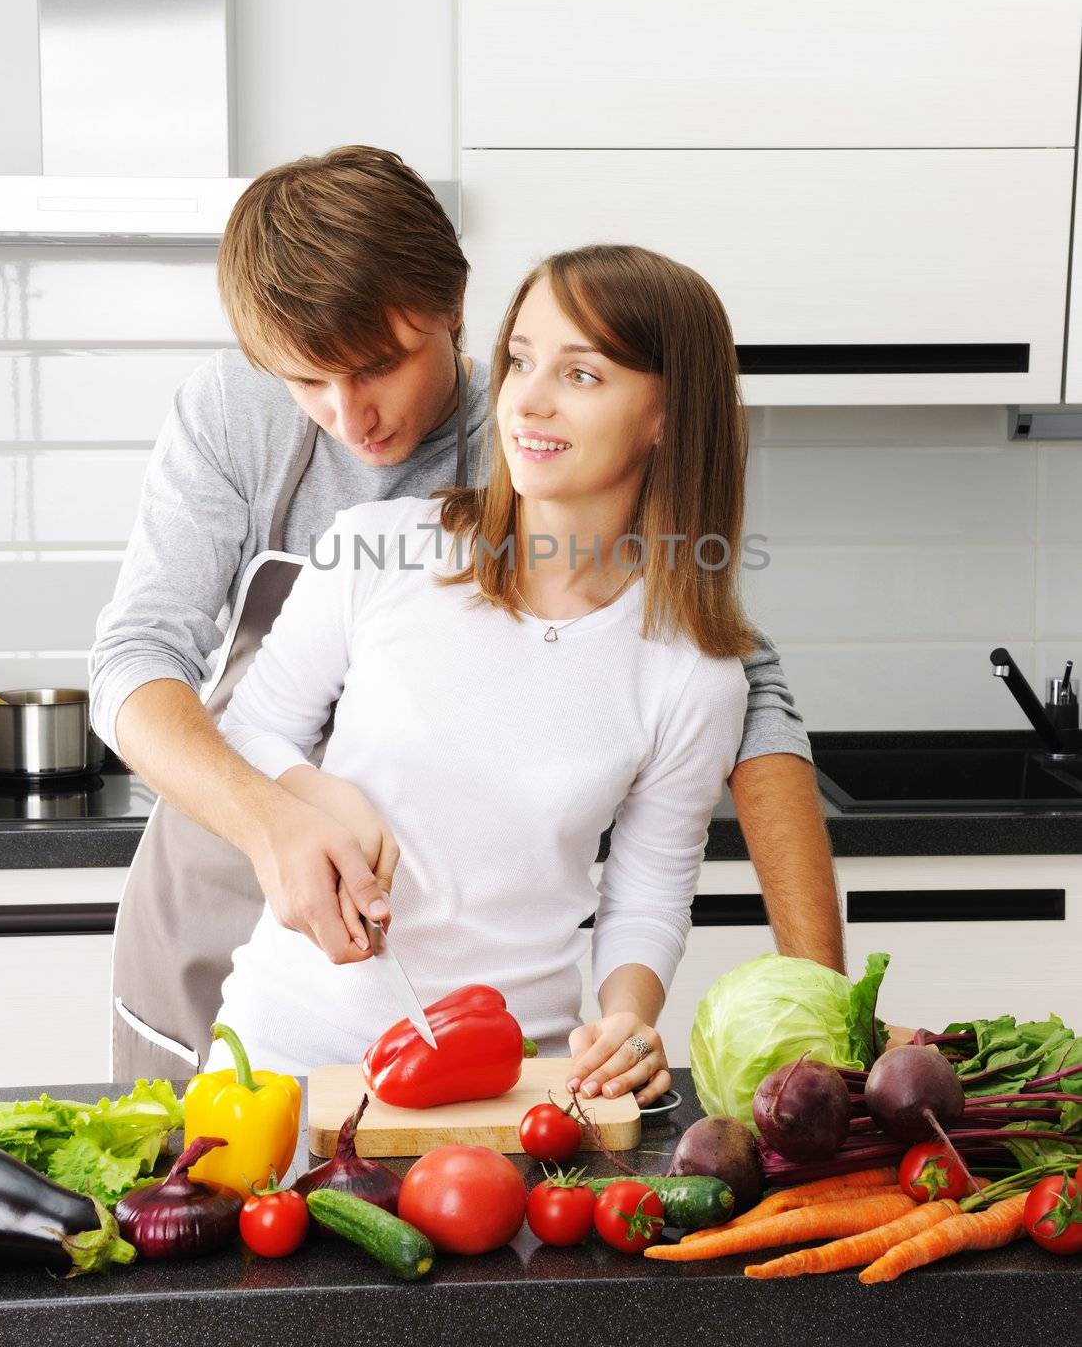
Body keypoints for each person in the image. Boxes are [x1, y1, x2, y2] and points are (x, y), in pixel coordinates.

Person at [90, 145, 843, 1088]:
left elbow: (720, 671)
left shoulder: (534, 431)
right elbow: (135, 652)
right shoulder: (232, 418)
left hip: (454, 987)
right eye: (302, 381)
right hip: (220, 880)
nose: (346, 417)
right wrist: (273, 821)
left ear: (453, 311)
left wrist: (818, 998)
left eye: (377, 367)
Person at [206, 244, 755, 1099]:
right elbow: (248, 727)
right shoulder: (378, 548)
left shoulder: (693, 673)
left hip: (508, 1077)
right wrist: (317, 794)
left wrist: (626, 1021)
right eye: (520, 361)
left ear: (667, 415)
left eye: (581, 374)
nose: (525, 400)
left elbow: (647, 891)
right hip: (289, 1058)